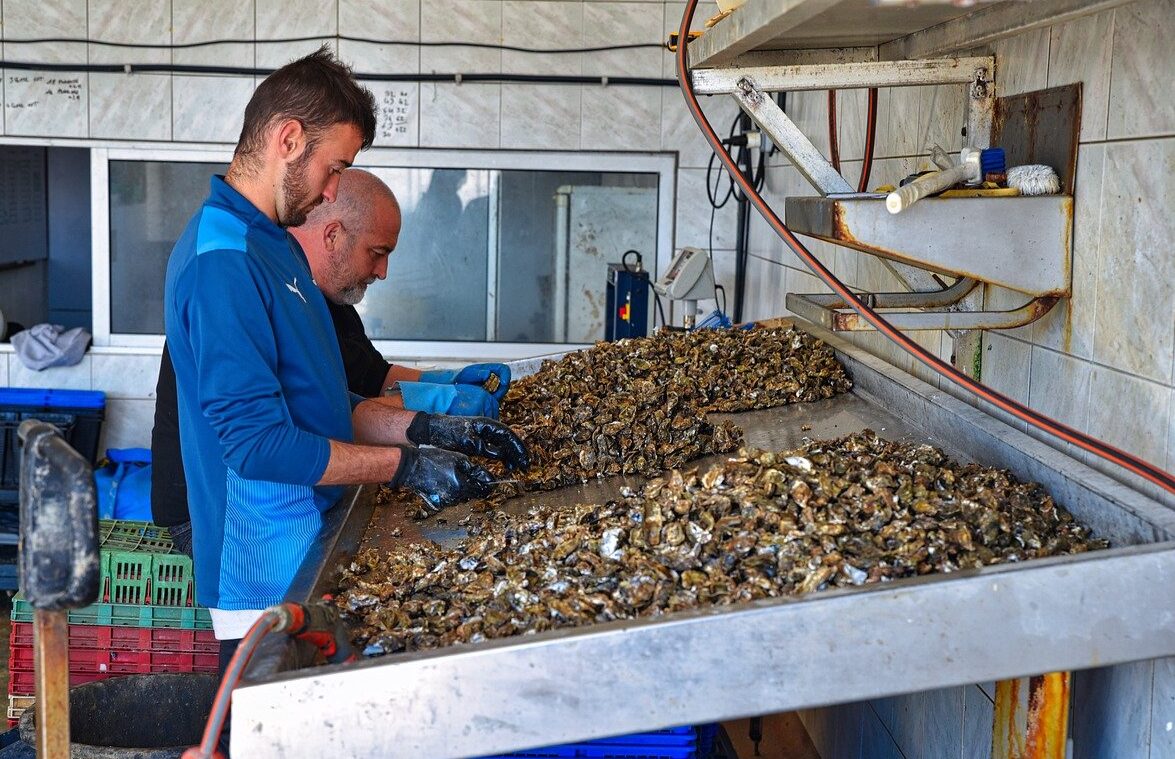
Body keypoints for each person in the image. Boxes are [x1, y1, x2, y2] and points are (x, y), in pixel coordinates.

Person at [162, 49, 528, 668]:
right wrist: (404, 468)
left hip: (312, 537)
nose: (334, 190)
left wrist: (430, 429)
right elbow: (257, 445)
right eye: (336, 168)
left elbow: (321, 403)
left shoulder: (273, 247)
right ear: (288, 139)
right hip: (263, 570)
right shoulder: (221, 262)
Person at [151, 169, 509, 557]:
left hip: (282, 500)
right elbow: (263, 440)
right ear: (333, 235)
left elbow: (364, 382)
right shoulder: (239, 279)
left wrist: (441, 401)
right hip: (215, 515)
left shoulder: (319, 295)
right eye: (378, 252)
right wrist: (416, 450)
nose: (383, 272)